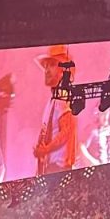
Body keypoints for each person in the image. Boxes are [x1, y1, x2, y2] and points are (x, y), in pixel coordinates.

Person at [33, 45, 78, 174]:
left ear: (63, 70)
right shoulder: (54, 99)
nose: (46, 70)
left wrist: (45, 150)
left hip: (59, 168)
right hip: (52, 167)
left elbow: (66, 132)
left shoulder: (62, 97)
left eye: (52, 65)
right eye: (46, 66)